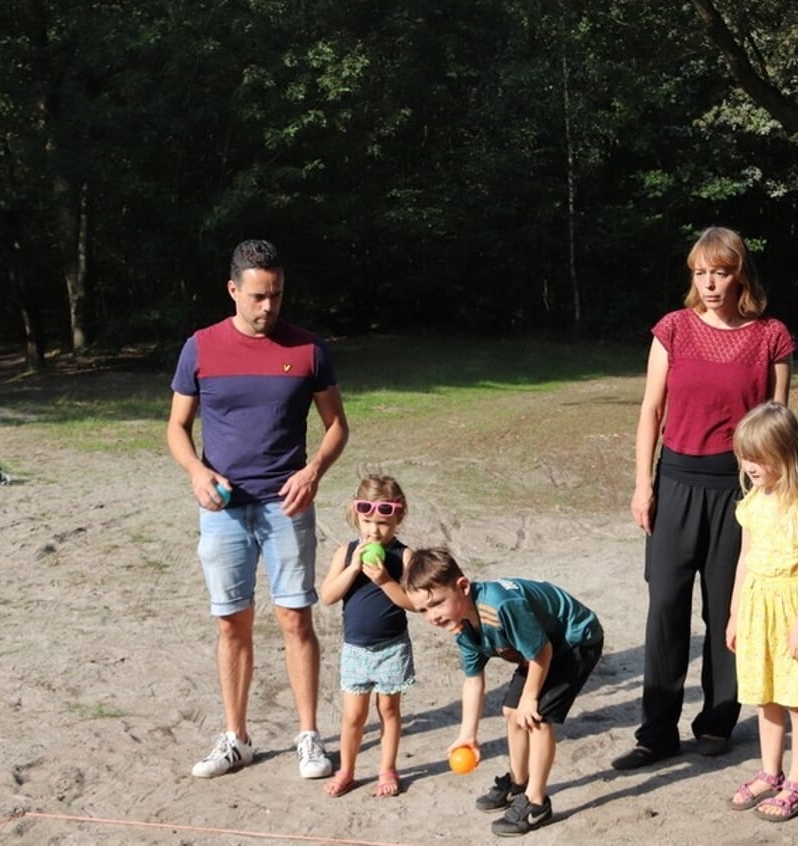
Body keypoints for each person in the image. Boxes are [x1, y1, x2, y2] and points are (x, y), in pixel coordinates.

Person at [166, 238, 349, 780]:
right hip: (222, 510)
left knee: (295, 619)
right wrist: (198, 473)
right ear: (233, 290)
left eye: (277, 295)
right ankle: (236, 738)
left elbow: (337, 425)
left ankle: (309, 738)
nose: (269, 307)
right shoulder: (199, 348)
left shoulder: (309, 349)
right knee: (232, 625)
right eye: (258, 296)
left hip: (286, 507)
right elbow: (176, 427)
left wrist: (312, 471)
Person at [613, 226, 794, 770]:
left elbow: (778, 423)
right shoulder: (673, 330)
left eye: (719, 271)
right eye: (699, 272)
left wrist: (777, 497)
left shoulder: (772, 337)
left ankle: (716, 722)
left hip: (740, 489)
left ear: (741, 274)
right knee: (666, 606)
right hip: (676, 482)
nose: (709, 284)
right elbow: (651, 410)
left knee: (727, 610)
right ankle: (656, 732)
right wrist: (644, 484)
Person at [403, 547, 603, 837]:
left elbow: (543, 652)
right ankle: (518, 782)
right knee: (511, 711)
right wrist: (467, 734)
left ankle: (537, 803)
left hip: (574, 640)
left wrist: (530, 698)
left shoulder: (499, 606)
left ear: (463, 586)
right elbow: (473, 681)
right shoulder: (463, 628)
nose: (432, 616)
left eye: (437, 604)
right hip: (537, 647)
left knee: (536, 718)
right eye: (422, 610)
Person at [724, 402, 798, 823]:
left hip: (792, 613)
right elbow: (744, 559)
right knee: (765, 694)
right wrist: (735, 614)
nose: (749, 465)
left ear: (785, 454)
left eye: (758, 457)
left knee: (797, 700)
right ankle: (770, 773)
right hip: (757, 609)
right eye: (744, 456)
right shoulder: (753, 500)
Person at [318, 475, 418, 798]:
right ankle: (347, 769)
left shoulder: (404, 557)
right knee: (352, 716)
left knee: (388, 711)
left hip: (392, 648)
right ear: (356, 516)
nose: (374, 531)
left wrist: (386, 580)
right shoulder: (346, 552)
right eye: (367, 521)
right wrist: (353, 569)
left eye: (383, 524)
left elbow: (414, 603)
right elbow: (328, 595)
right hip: (355, 650)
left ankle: (387, 768)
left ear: (398, 519)